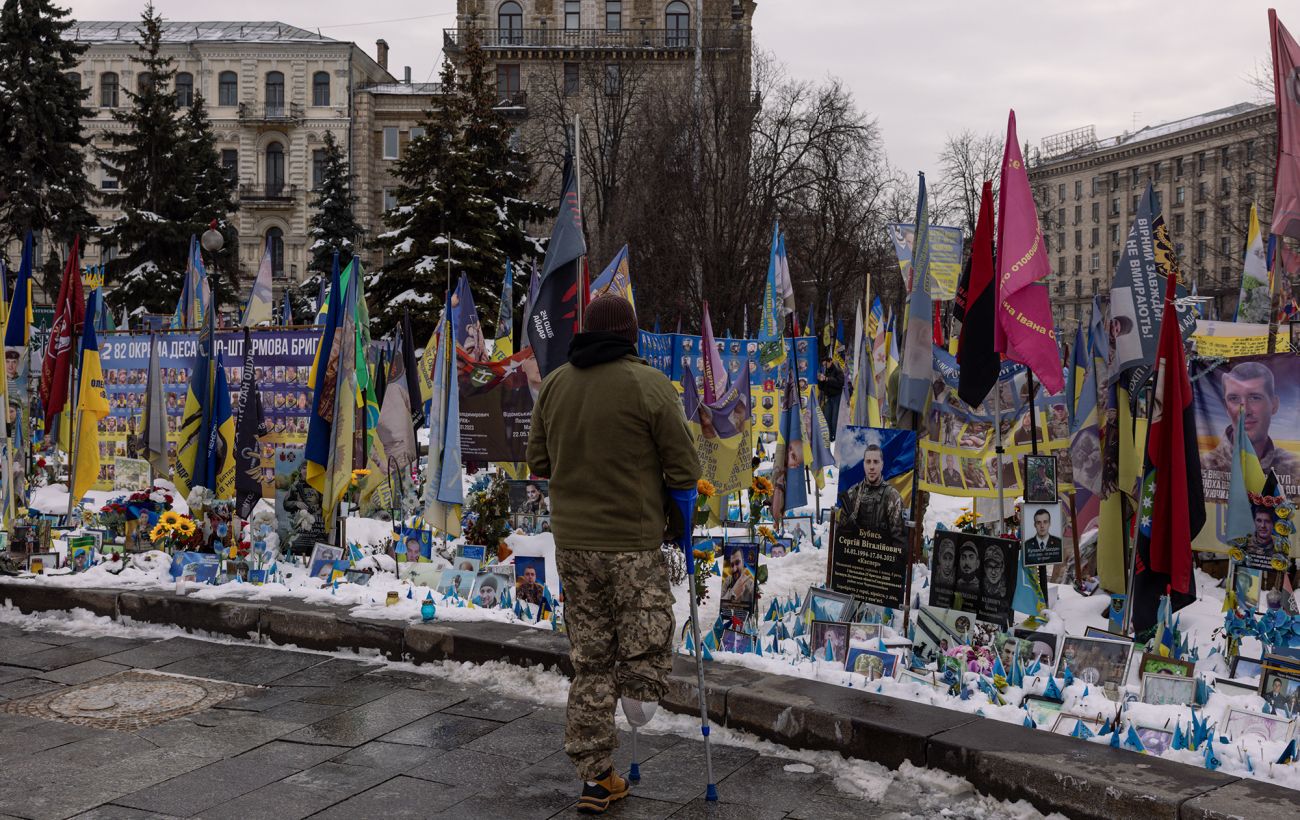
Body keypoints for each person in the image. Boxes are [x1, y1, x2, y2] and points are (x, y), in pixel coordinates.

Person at [527, 294, 700, 812]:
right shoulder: (649, 385)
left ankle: (597, 779)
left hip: (574, 547)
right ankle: (638, 699)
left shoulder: (555, 384)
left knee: (591, 660)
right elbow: (684, 468)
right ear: (630, 334)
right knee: (646, 641)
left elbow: (538, 460)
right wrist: (677, 522)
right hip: (632, 544)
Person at [1201, 361, 1300, 485]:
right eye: (1234, 398)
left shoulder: (1294, 469)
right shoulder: (1203, 466)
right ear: (1226, 407)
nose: (1245, 411)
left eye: (1255, 397)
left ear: (1274, 405)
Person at [837, 436, 905, 548]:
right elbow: (840, 538)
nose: (872, 467)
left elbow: (899, 543)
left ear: (882, 465)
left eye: (876, 462)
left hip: (883, 556)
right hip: (854, 555)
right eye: (868, 462)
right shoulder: (852, 494)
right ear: (863, 464)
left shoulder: (893, 497)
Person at [817, 356, 844, 438]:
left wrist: (827, 379)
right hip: (828, 398)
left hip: (837, 397)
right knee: (827, 418)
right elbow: (821, 388)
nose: (825, 366)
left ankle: (835, 437)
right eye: (823, 365)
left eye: (826, 364)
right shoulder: (825, 372)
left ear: (830, 361)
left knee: (835, 419)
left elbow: (840, 383)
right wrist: (820, 381)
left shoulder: (838, 370)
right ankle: (828, 437)